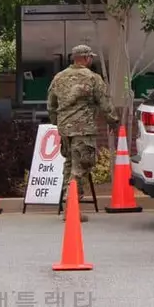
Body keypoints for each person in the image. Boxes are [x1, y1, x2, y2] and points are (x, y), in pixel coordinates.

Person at [47, 44, 118, 222]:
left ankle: (68, 206)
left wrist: (57, 122)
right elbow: (104, 102)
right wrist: (113, 121)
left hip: (65, 129)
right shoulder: (93, 78)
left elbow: (51, 105)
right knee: (81, 167)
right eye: (90, 57)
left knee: (70, 164)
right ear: (86, 58)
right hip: (83, 130)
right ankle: (72, 207)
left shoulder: (59, 78)